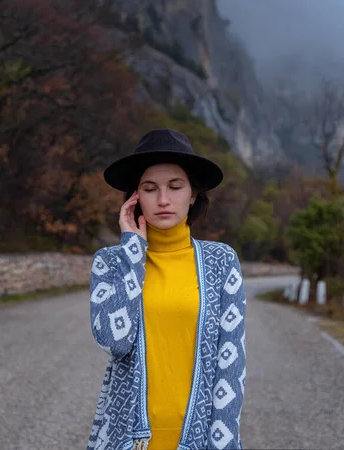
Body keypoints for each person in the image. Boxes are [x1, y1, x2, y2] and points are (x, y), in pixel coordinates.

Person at [87, 129, 247, 450]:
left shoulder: (221, 261)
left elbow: (231, 364)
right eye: (150, 188)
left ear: (193, 195)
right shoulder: (110, 262)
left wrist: (223, 441)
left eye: (175, 187)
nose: (163, 199)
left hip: (200, 438)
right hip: (128, 438)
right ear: (135, 198)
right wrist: (133, 251)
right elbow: (114, 342)